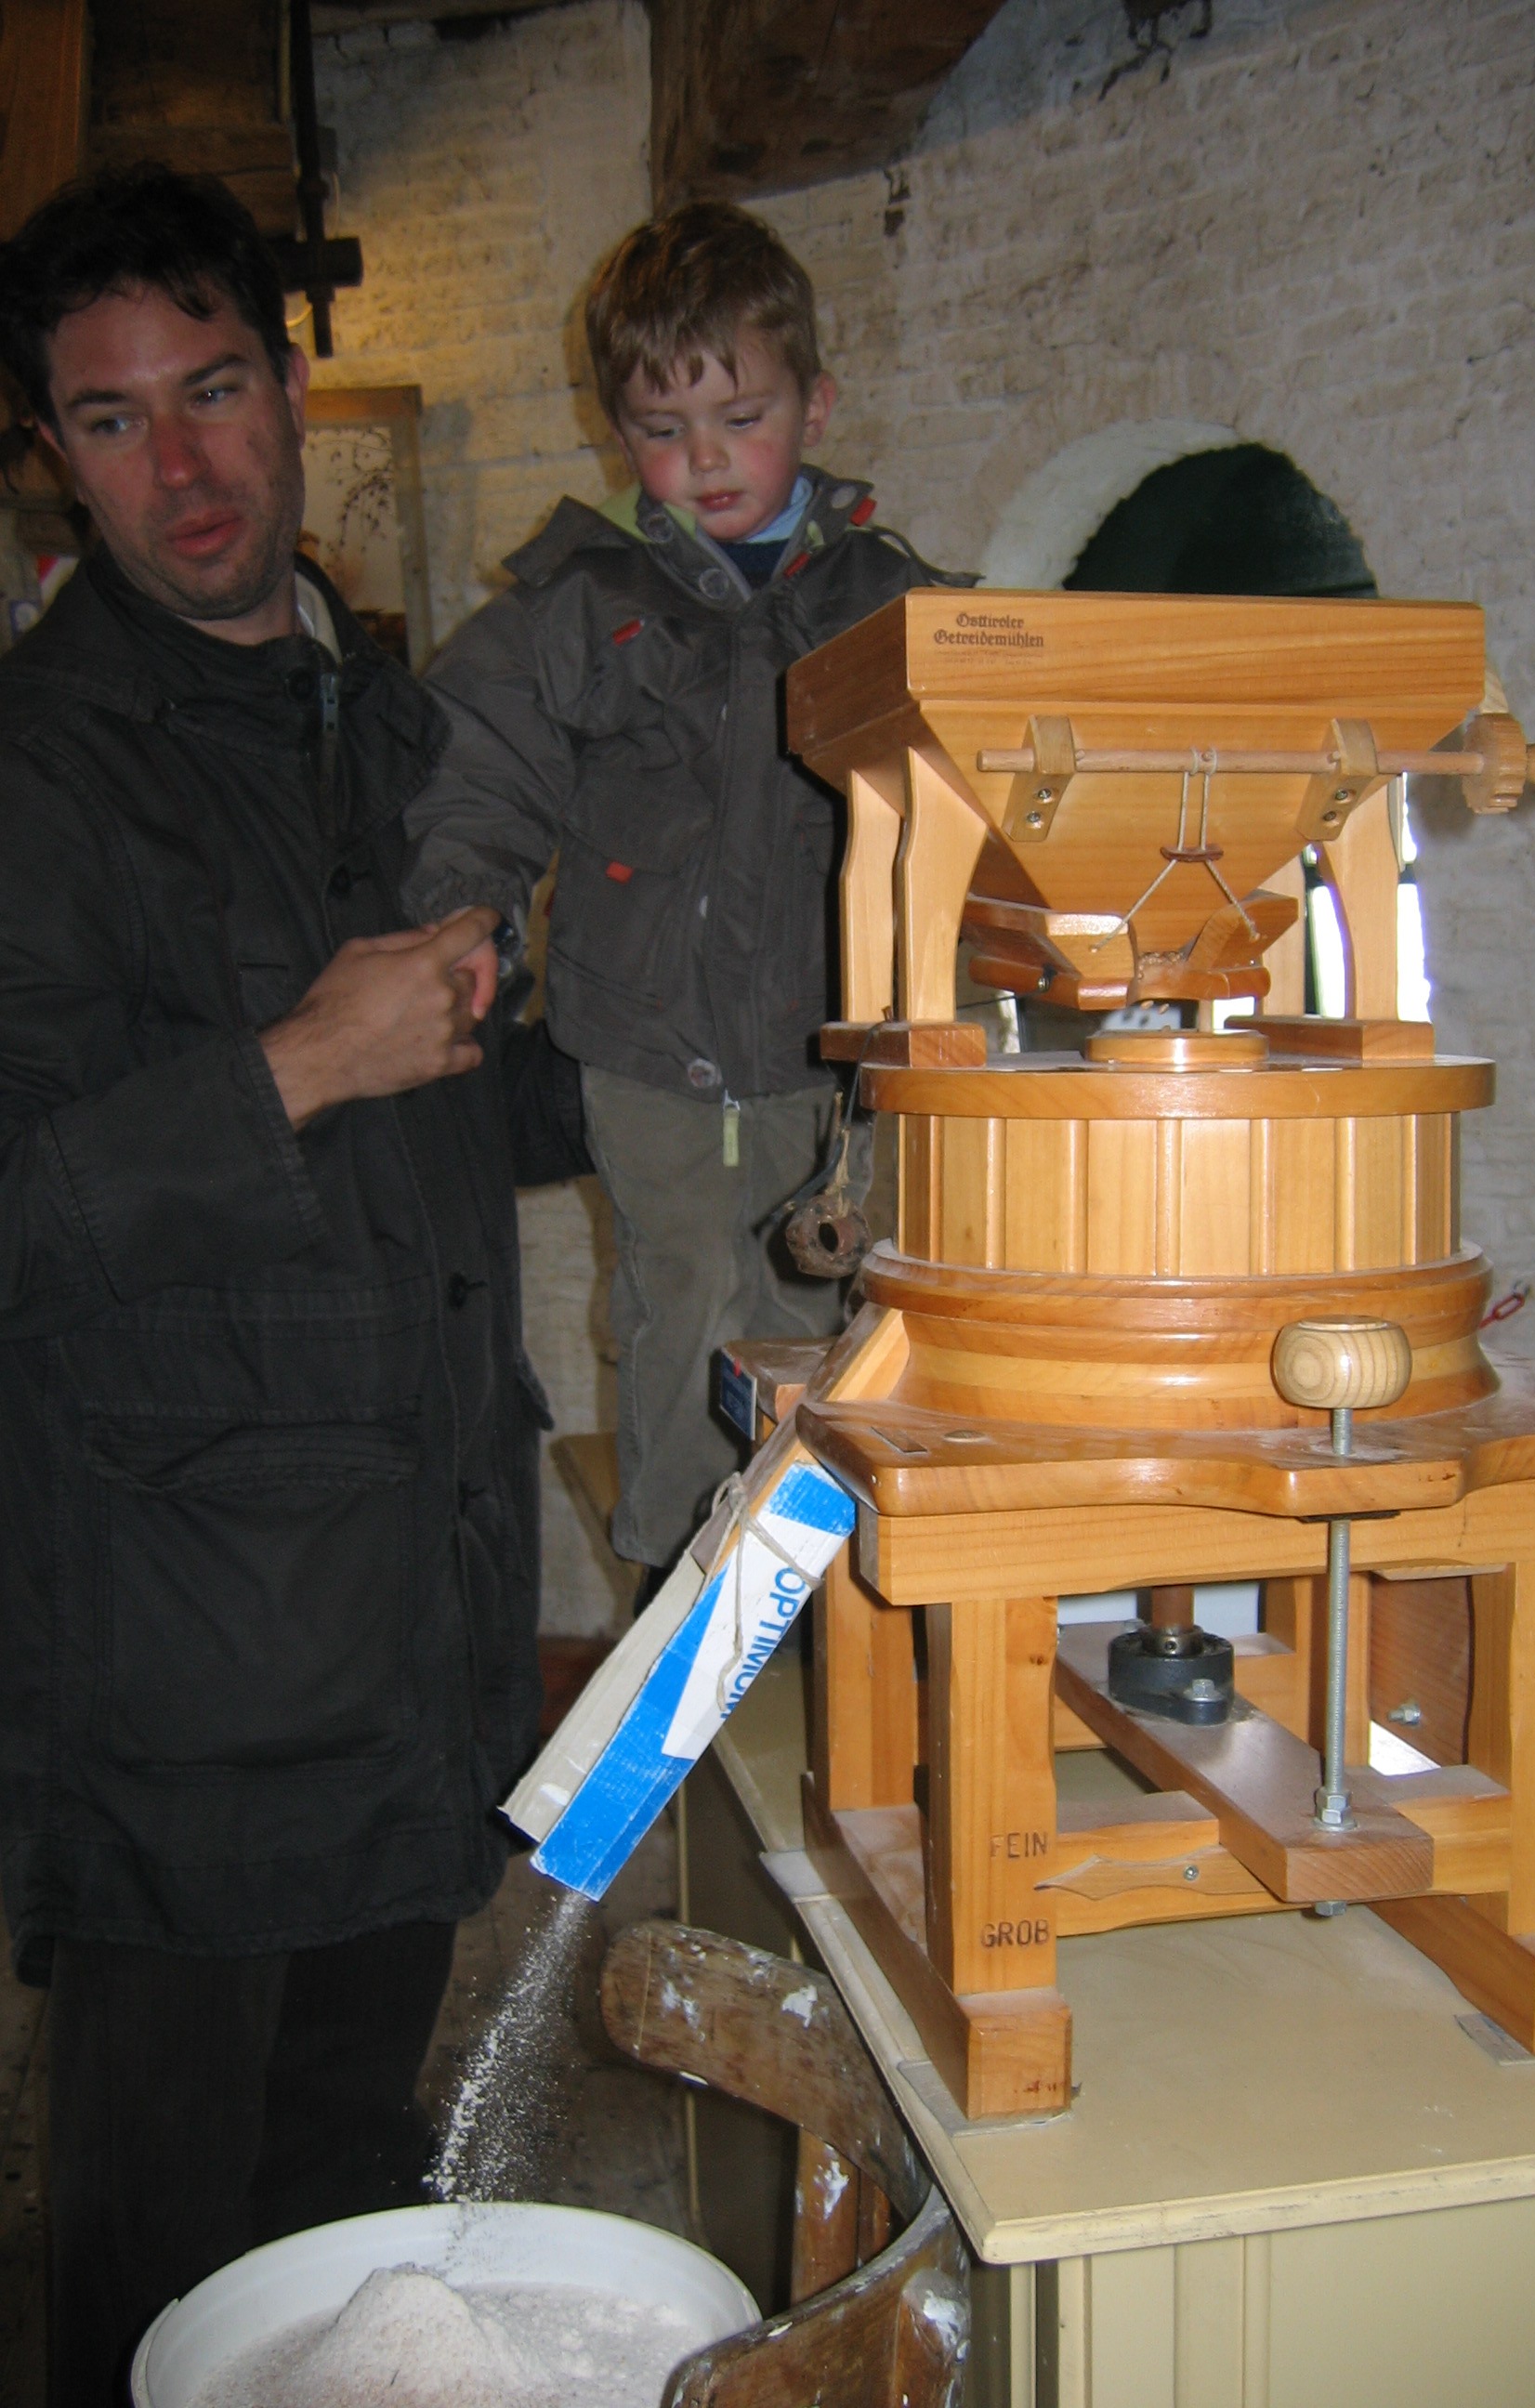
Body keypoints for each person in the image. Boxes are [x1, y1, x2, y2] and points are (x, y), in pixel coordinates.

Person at [0, 164, 588, 2403]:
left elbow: (463, 1125)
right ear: (56, 456)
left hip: (413, 1638)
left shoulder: (396, 728)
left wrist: (706, 1049)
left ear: (294, 386)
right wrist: (297, 1063)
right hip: (187, 1706)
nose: (183, 463)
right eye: (112, 417)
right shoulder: (38, 775)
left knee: (351, 2247)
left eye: (215, 387)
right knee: (161, 2298)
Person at [403, 202, 970, 1592]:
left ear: (814, 406)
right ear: (619, 434)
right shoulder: (581, 600)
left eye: (741, 418)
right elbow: (478, 767)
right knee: (682, 1307)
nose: (703, 460)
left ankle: (828, 1593)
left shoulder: (889, 600)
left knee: (841, 1314)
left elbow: (979, 774)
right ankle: (677, 1590)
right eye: (662, 430)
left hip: (835, 1052)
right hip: (651, 1050)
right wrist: (469, 918)